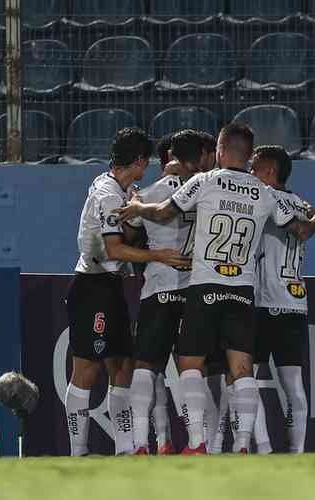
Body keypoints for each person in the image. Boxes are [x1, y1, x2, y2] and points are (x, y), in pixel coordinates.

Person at [117, 123, 315, 454]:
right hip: (242, 290)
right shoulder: (264, 192)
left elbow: (165, 211)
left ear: (222, 150)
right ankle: (242, 446)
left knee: (191, 363)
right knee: (241, 369)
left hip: (205, 286)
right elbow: (300, 230)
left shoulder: (205, 181)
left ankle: (196, 442)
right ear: (247, 153)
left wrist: (138, 207)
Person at [64, 127, 190, 457]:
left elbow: (135, 204)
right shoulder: (108, 194)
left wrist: (151, 189)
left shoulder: (121, 187)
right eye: (145, 163)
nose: (146, 169)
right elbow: (115, 249)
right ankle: (78, 452)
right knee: (86, 370)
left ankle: (124, 450)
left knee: (123, 366)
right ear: (137, 161)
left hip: (110, 287)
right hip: (91, 287)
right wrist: (158, 256)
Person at [126, 130, 207, 455]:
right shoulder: (204, 193)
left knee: (145, 366)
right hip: (193, 290)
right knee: (191, 367)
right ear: (195, 159)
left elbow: (128, 233)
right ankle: (198, 442)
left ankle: (140, 444)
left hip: (158, 290)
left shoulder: (145, 194)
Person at [249, 145, 315, 454]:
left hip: (265, 304)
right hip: (294, 304)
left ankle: (263, 450)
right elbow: (307, 227)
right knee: (294, 387)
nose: (249, 174)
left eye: (254, 168)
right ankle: (297, 453)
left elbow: (298, 232)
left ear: (269, 172)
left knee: (245, 381)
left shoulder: (267, 198)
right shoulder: (301, 205)